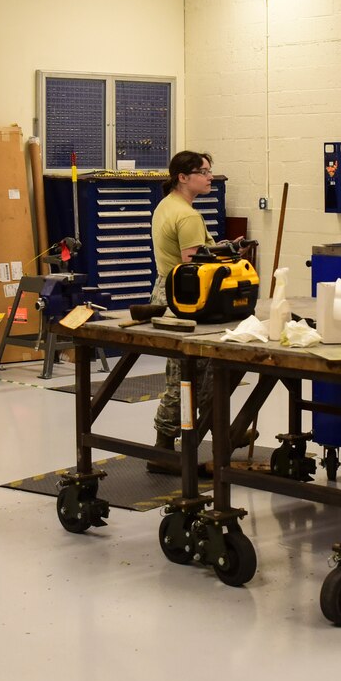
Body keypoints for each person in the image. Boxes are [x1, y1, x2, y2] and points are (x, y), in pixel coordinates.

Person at [149, 151, 213, 471]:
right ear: (183, 177)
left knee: (196, 373)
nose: (209, 177)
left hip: (166, 290)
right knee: (186, 376)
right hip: (186, 297)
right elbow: (194, 264)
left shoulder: (167, 206)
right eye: (203, 172)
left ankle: (220, 430)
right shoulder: (188, 216)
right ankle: (163, 450)